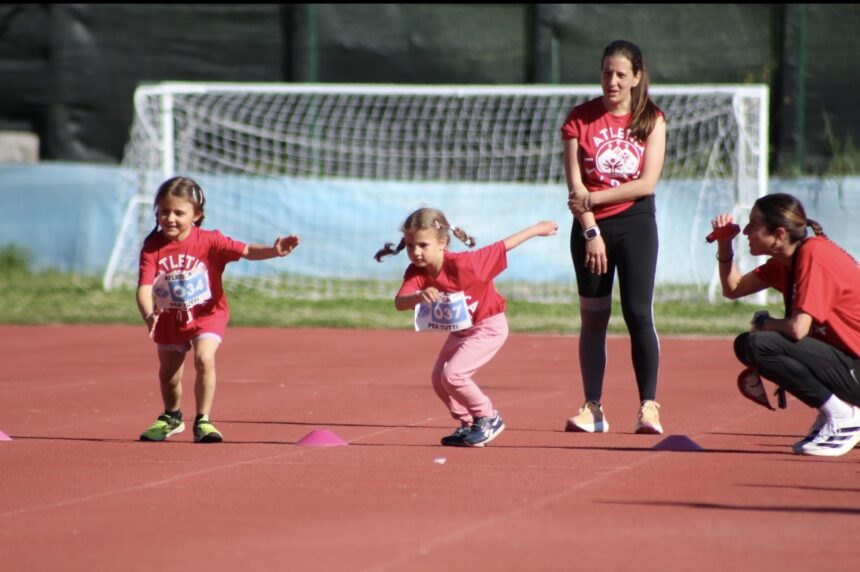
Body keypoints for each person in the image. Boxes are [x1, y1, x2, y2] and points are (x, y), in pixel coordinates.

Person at [136, 176, 300, 443]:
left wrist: (274, 250)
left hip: (207, 315)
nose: (170, 218)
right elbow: (144, 286)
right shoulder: (153, 247)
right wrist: (148, 314)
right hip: (168, 318)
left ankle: (203, 420)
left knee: (204, 359)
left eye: (179, 212)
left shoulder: (210, 241)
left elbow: (246, 250)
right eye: (164, 211)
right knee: (169, 375)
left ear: (197, 215)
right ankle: (172, 416)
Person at [375, 207, 558, 447]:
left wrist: (537, 229)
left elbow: (503, 246)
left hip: (488, 326)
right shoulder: (417, 272)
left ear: (442, 243)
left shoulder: (467, 264)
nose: (416, 252)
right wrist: (419, 296)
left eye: (423, 245)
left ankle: (488, 417)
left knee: (453, 375)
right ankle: (469, 422)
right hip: (461, 331)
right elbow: (400, 303)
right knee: (439, 380)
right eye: (410, 246)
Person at [559, 39, 667, 434]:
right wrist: (591, 231)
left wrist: (595, 196)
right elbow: (575, 187)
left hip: (636, 223)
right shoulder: (579, 119)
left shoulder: (652, 119)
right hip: (589, 228)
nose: (613, 81)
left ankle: (649, 407)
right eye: (607, 72)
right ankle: (593, 407)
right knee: (594, 318)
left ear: (637, 76)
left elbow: (646, 183)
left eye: (622, 74)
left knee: (638, 313)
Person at [711, 193, 860, 457]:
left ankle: (844, 416)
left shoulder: (814, 254)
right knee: (747, 344)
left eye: (753, 225)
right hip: (848, 364)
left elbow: (798, 329)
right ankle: (838, 412)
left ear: (779, 234)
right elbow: (733, 289)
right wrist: (724, 244)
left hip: (854, 365)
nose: (745, 231)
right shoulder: (786, 262)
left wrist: (763, 323)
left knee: (759, 344)